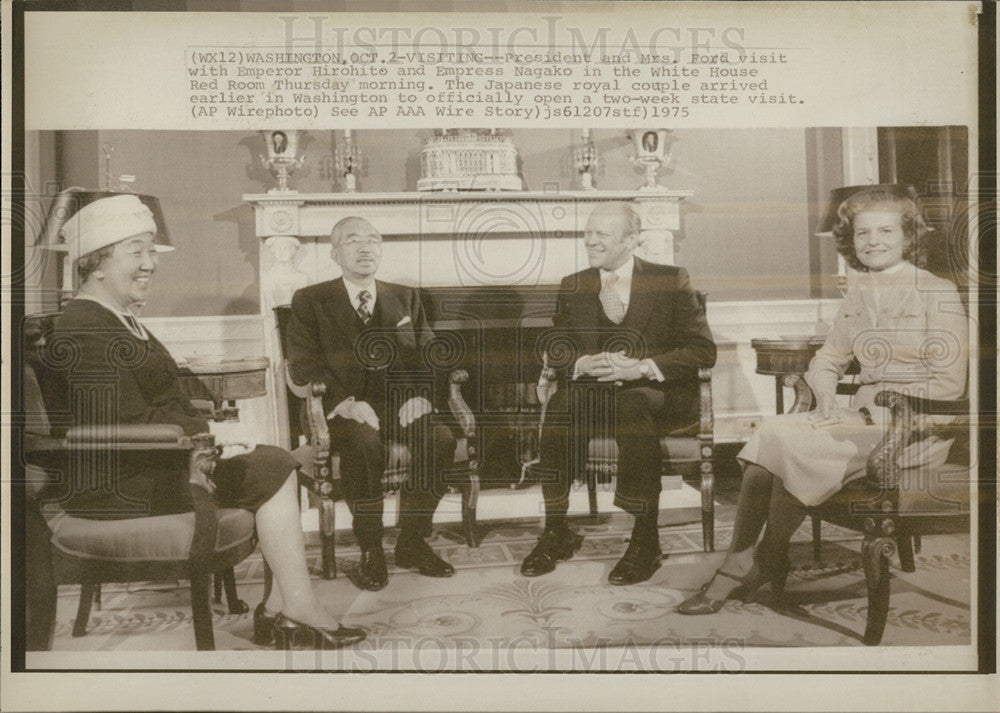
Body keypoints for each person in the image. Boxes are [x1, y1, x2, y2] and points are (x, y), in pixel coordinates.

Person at [49, 194, 365, 650]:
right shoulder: (85, 326)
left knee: (274, 461)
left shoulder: (116, 320)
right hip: (119, 479)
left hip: (151, 460)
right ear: (95, 263)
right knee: (273, 466)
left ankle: (285, 607)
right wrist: (211, 435)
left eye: (150, 251)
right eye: (136, 251)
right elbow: (124, 419)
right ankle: (293, 608)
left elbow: (155, 402)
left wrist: (216, 437)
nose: (150, 264)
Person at [678, 186, 968, 615]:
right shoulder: (858, 291)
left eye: (886, 231)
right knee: (772, 432)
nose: (874, 242)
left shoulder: (937, 291)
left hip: (915, 430)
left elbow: (950, 385)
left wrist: (870, 411)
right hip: (859, 421)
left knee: (793, 445)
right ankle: (751, 559)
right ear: (851, 240)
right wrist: (828, 400)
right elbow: (828, 358)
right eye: (863, 233)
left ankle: (754, 561)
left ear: (909, 237)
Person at [521, 201, 717, 585]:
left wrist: (641, 367)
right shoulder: (573, 284)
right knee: (562, 405)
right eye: (588, 233)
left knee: (631, 403)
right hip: (595, 392)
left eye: (602, 235)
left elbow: (701, 350)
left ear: (631, 240)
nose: (590, 241)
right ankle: (556, 530)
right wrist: (580, 364)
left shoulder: (671, 278)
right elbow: (557, 348)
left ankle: (646, 539)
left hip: (654, 391)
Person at [286, 216, 457, 592]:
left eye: (373, 241)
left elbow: (432, 356)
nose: (365, 248)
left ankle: (412, 541)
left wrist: (423, 396)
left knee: (441, 438)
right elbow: (301, 364)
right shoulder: (311, 300)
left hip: (398, 404)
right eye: (353, 241)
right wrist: (343, 402)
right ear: (335, 254)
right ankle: (371, 547)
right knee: (363, 444)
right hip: (339, 410)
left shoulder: (406, 297)